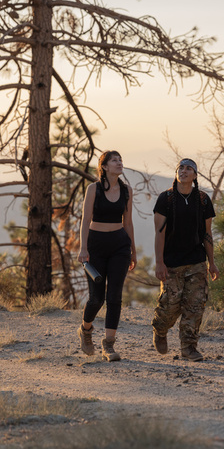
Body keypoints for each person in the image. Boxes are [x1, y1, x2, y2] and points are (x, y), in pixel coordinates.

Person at [152, 158, 219, 362]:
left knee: (195, 306)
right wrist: (159, 262)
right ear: (176, 173)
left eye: (189, 168)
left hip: (197, 261)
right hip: (172, 262)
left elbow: (207, 233)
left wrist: (212, 262)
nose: (184, 170)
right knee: (170, 305)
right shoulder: (166, 199)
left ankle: (189, 347)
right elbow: (159, 233)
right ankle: (160, 330)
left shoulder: (203, 200)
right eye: (181, 167)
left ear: (195, 176)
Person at [77, 150, 136, 361]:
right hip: (96, 246)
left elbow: (128, 223)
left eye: (120, 159)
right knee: (96, 298)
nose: (119, 163)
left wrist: (133, 251)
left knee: (115, 296)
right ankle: (85, 330)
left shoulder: (127, 190)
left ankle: (109, 344)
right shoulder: (94, 189)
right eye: (114, 160)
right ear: (104, 166)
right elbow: (85, 220)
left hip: (120, 245)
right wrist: (83, 248)